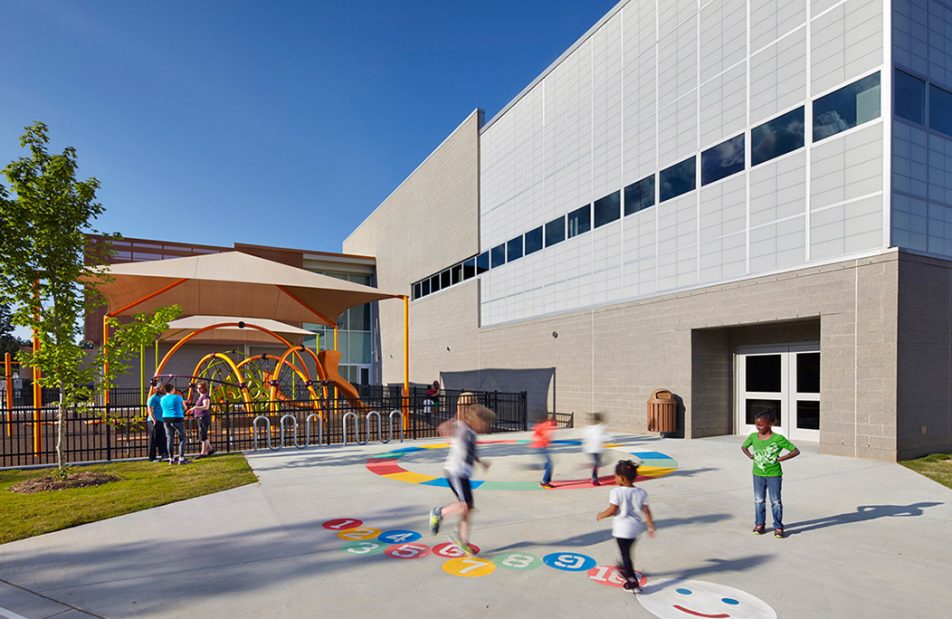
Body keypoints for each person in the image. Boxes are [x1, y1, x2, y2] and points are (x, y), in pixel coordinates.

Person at [428, 392, 495, 555]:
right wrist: (450, 425)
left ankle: (463, 540)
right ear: (475, 419)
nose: (485, 427)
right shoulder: (462, 426)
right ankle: (439, 513)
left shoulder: (471, 432)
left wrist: (481, 462)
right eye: (484, 424)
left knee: (468, 508)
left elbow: (471, 452)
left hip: (463, 474)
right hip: (455, 471)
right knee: (464, 505)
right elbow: (442, 428)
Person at [596, 459, 656, 594]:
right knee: (627, 551)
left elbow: (612, 510)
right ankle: (624, 567)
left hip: (622, 530)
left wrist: (602, 515)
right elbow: (646, 510)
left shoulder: (616, 492)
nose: (615, 478)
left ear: (622, 478)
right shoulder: (641, 492)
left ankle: (632, 579)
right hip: (635, 530)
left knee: (626, 554)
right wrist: (650, 525)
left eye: (615, 476)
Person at [741, 411, 800, 538]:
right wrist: (750, 455)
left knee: (775, 501)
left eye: (761, 425)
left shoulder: (778, 439)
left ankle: (778, 527)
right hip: (757, 474)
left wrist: (781, 459)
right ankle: (759, 524)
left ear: (770, 424)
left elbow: (795, 451)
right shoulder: (753, 437)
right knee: (759, 500)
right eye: (757, 425)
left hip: (774, 475)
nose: (758, 427)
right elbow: (744, 447)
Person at [161, 383, 189, 465]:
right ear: (172, 389)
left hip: (166, 418)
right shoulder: (178, 397)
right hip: (177, 418)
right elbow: (185, 408)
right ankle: (181, 458)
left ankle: (171, 459)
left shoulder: (162, 399)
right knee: (182, 438)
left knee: (170, 438)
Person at [188, 382, 215, 459]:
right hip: (199, 417)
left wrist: (195, 408)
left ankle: (203, 452)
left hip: (203, 417)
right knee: (203, 434)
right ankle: (210, 449)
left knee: (203, 435)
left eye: (200, 388)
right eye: (198, 388)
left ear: (204, 388)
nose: (198, 389)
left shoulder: (205, 397)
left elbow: (206, 407)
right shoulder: (200, 397)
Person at [531, 417, 557, 488]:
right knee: (550, 464)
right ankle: (544, 482)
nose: (554, 425)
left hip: (542, 446)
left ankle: (546, 479)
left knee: (549, 464)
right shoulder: (544, 425)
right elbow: (536, 433)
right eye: (554, 423)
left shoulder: (549, 427)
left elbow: (547, 436)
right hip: (540, 446)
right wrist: (541, 438)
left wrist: (547, 440)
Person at [146, 385, 168, 462]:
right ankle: (152, 458)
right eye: (161, 388)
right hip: (154, 421)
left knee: (162, 438)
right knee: (153, 439)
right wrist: (154, 420)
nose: (163, 389)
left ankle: (164, 455)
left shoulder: (162, 397)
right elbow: (150, 410)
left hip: (161, 421)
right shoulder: (153, 398)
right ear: (157, 389)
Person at [583, 413, 607, 485]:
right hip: (594, 449)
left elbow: (586, 438)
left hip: (592, 449)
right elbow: (603, 436)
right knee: (597, 463)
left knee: (597, 463)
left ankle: (594, 477)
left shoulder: (589, 428)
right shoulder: (600, 427)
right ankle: (594, 478)